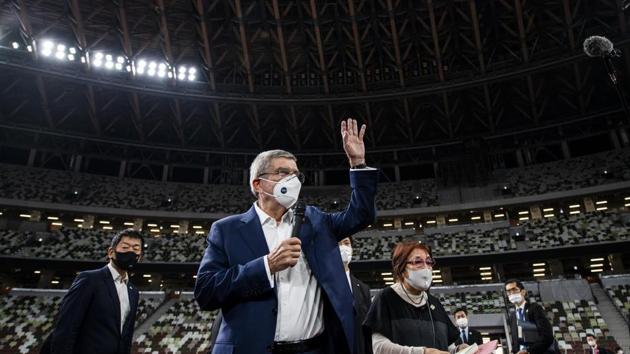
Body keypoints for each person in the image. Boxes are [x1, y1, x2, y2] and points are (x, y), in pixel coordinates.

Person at [194, 118, 378, 354]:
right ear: (258, 184)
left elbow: (362, 214)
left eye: (296, 174)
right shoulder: (226, 230)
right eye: (283, 172)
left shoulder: (316, 221)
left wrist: (358, 164)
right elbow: (206, 293)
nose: (293, 180)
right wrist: (267, 265)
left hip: (314, 349)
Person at [47, 229, 143, 354]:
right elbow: (66, 327)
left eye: (136, 249)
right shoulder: (90, 279)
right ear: (111, 252)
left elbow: (125, 335)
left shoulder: (133, 291)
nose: (131, 251)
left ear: (140, 257)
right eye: (125, 247)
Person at [364, 240, 461, 354]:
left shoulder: (435, 303)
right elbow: (378, 347)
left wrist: (459, 349)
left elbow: (446, 346)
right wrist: (422, 352)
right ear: (401, 269)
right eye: (418, 261)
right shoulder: (385, 298)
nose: (426, 268)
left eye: (429, 262)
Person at [339, 237, 373, 354]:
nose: (343, 247)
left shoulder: (363, 289)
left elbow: (368, 331)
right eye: (338, 243)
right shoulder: (320, 285)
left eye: (346, 243)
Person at [504, 279, 555, 354]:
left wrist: (528, 352)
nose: (511, 293)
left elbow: (547, 336)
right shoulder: (512, 316)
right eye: (508, 291)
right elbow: (515, 341)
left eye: (514, 290)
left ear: (523, 292)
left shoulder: (535, 308)